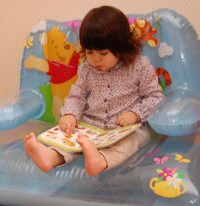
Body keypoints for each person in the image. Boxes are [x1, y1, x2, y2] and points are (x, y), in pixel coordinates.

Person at [24, 5, 164, 176]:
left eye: (103, 53)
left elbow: (155, 96)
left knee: (132, 142)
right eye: (89, 52)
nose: (95, 58)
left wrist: (135, 114)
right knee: (72, 139)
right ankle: (50, 157)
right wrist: (70, 114)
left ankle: (101, 160)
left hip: (125, 129)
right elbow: (77, 95)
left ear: (121, 46)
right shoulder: (86, 69)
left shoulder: (140, 66)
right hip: (91, 126)